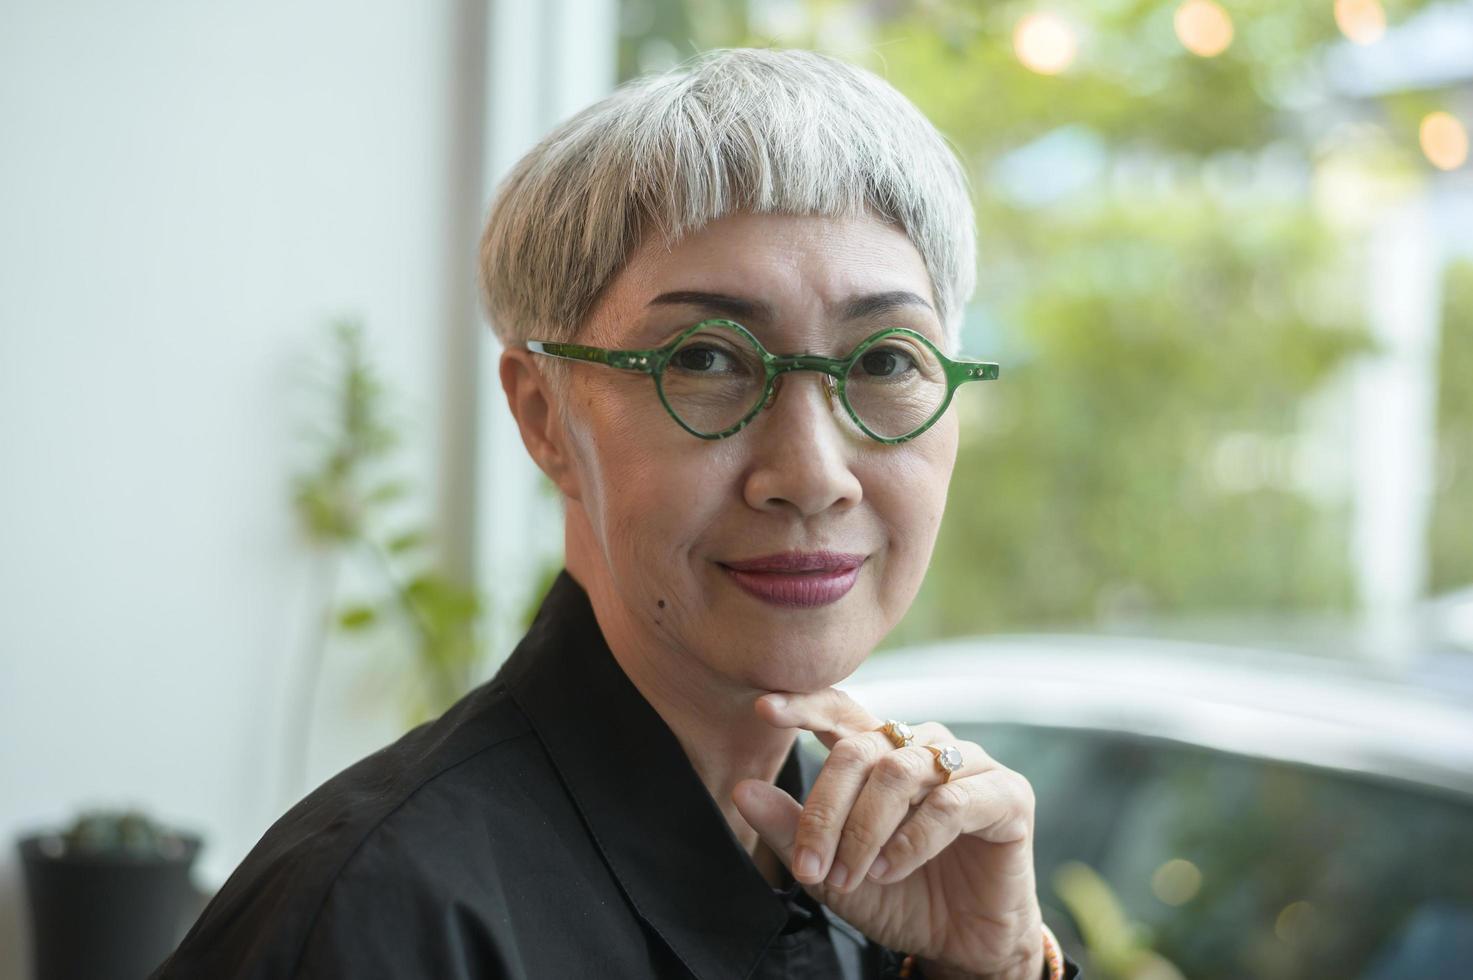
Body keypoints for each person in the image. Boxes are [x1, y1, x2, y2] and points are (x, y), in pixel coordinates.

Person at [151, 48, 1081, 979]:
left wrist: (985, 968)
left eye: (884, 361)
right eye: (707, 360)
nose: (810, 475)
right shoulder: (384, 917)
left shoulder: (888, 889)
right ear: (544, 417)